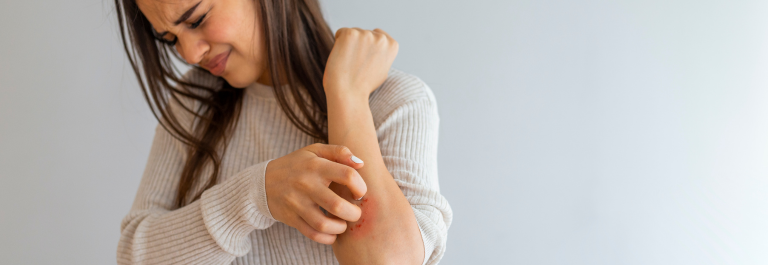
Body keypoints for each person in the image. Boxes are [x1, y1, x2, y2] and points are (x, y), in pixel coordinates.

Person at [114, 0, 452, 264]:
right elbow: (134, 256)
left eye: (196, 19)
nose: (188, 54)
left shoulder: (393, 102)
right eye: (169, 38)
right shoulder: (195, 104)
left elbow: (384, 261)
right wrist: (256, 195)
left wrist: (346, 95)